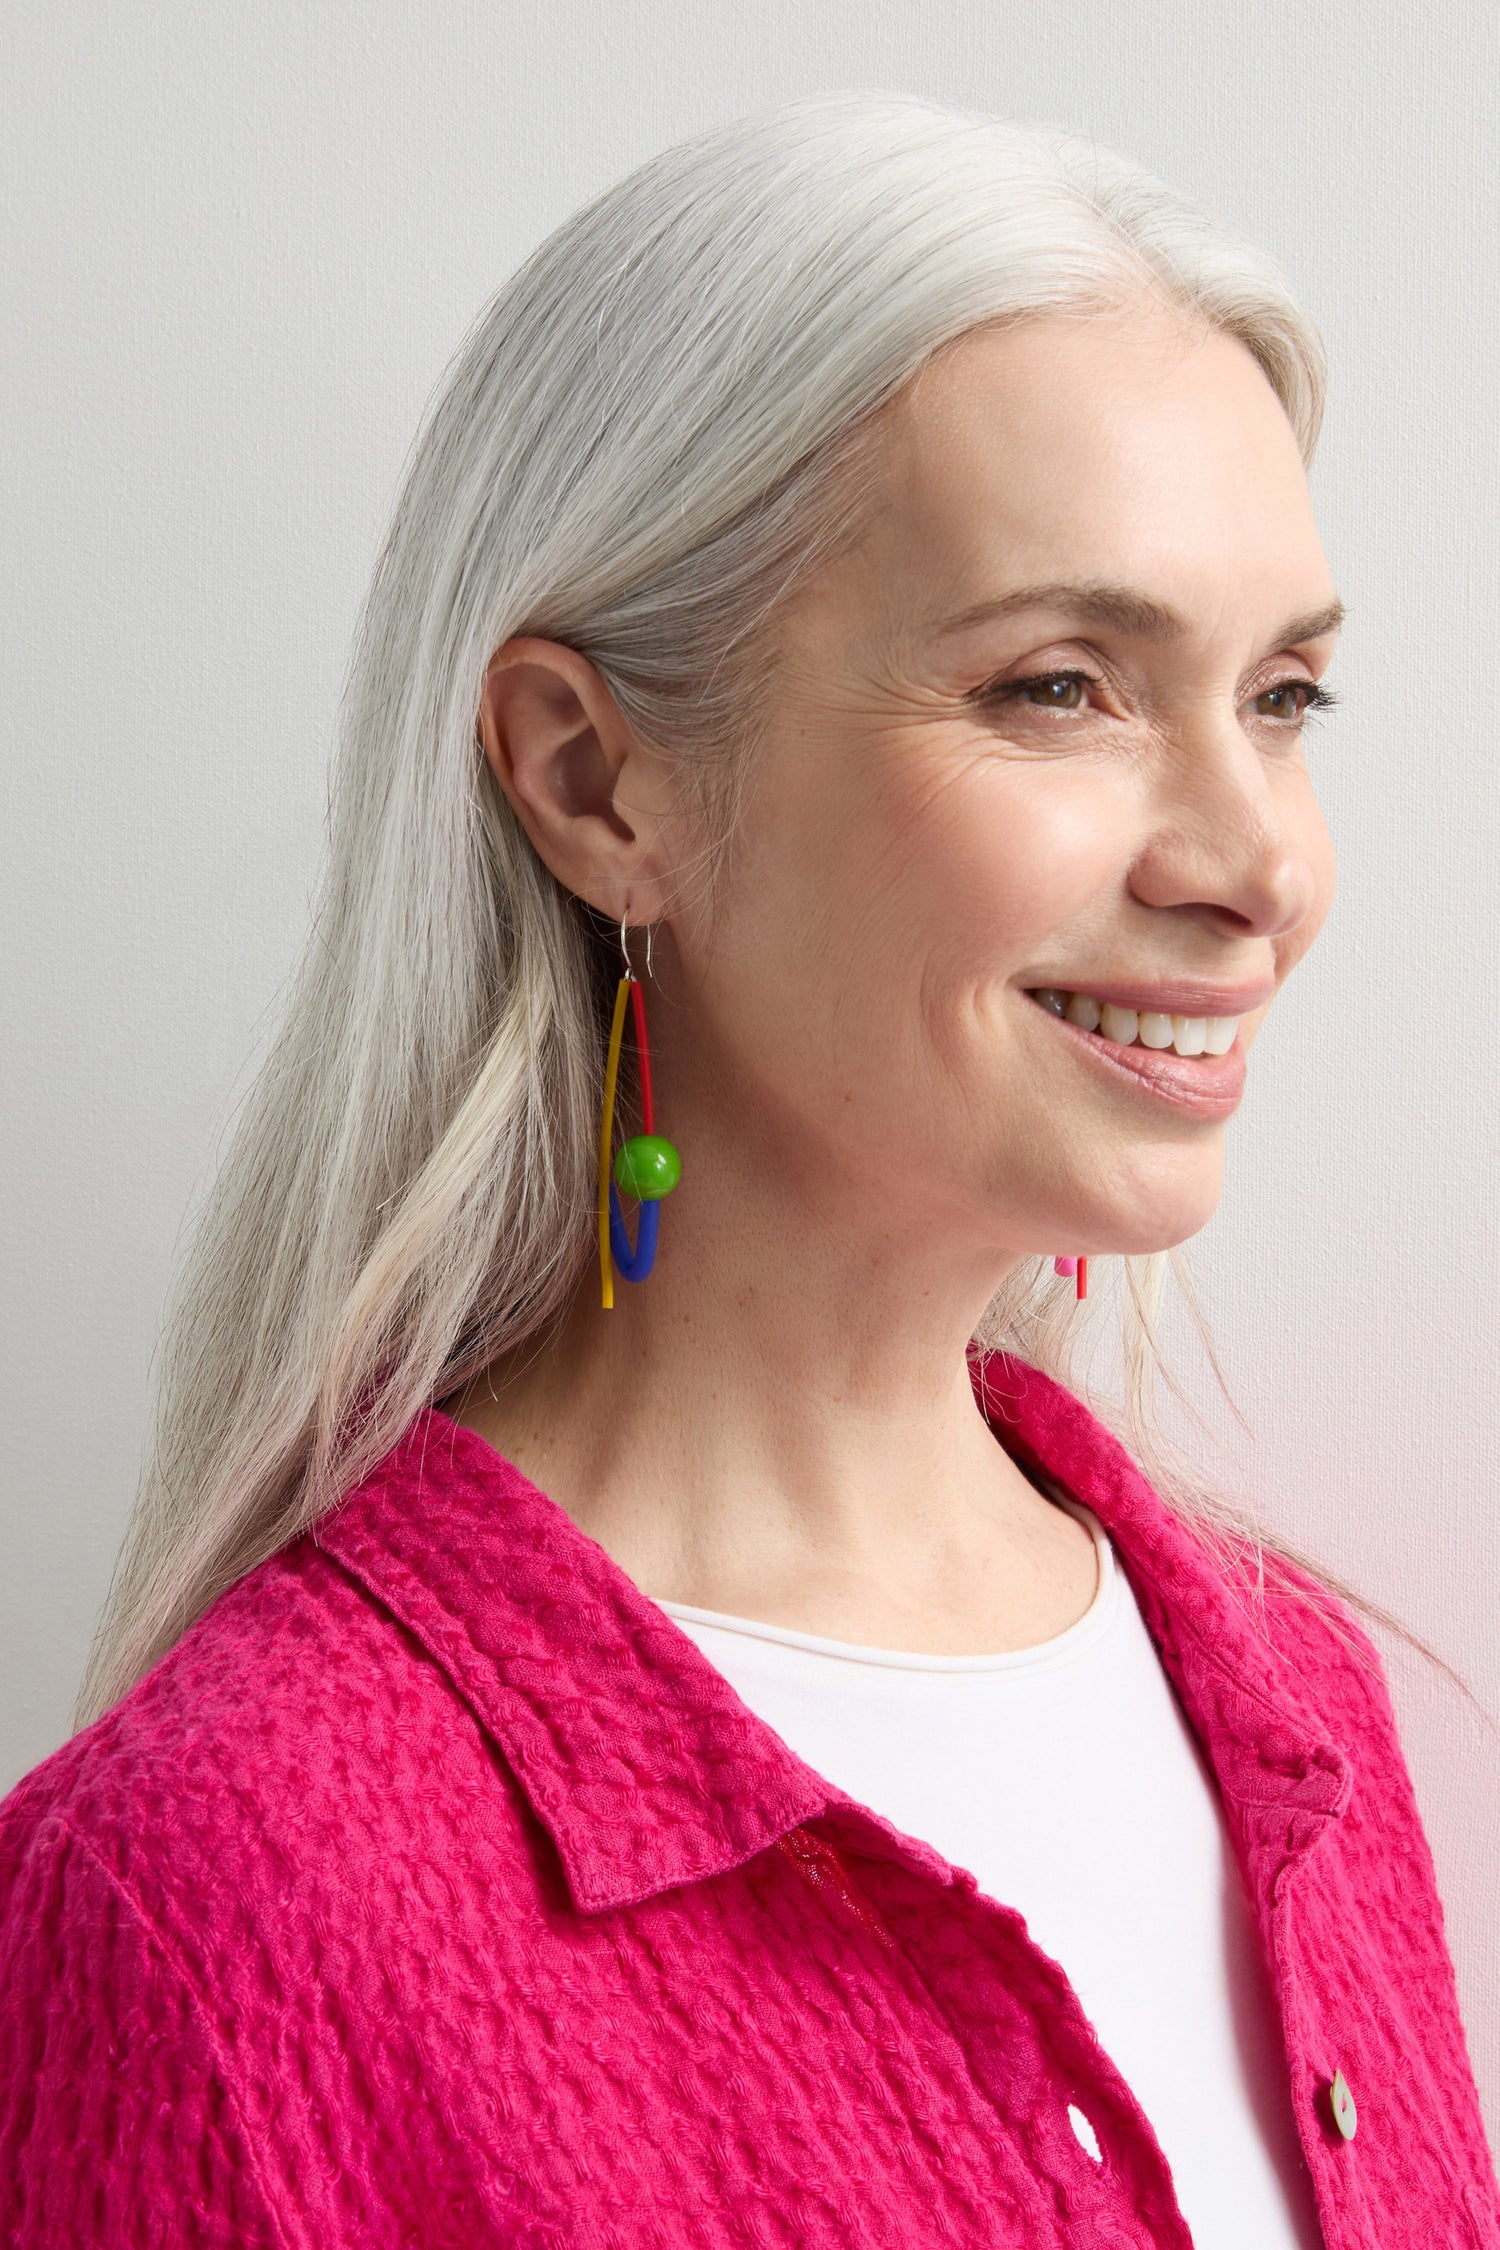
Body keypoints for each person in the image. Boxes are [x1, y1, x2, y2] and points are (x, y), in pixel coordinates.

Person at [0, 91, 1493, 2250]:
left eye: (1281, 697)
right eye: (1062, 685)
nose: (1261, 865)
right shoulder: (212, 1900)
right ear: (596, 782)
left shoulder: (1296, 1708)